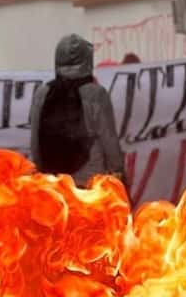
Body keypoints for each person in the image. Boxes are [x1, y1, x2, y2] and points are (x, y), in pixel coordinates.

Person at [29, 34, 124, 186]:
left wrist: (40, 172)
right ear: (87, 61)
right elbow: (109, 139)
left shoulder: (42, 92)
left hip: (54, 182)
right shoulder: (96, 94)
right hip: (88, 183)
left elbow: (35, 141)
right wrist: (118, 171)